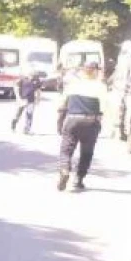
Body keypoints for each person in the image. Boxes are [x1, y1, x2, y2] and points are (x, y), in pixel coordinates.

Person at [56, 61, 107, 191]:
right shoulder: (100, 86)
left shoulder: (73, 84)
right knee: (87, 152)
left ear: (83, 70)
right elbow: (104, 107)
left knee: (66, 149)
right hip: (91, 121)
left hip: (73, 119)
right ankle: (79, 178)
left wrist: (60, 121)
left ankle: (65, 169)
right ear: (95, 71)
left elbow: (62, 104)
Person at [11, 68, 41, 134]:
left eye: (34, 74)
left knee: (29, 115)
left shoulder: (37, 80)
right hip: (22, 99)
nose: (33, 76)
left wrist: (38, 99)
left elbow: (38, 90)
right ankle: (13, 125)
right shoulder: (22, 79)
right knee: (18, 114)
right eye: (32, 74)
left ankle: (27, 129)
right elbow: (16, 87)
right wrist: (18, 98)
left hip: (31, 100)